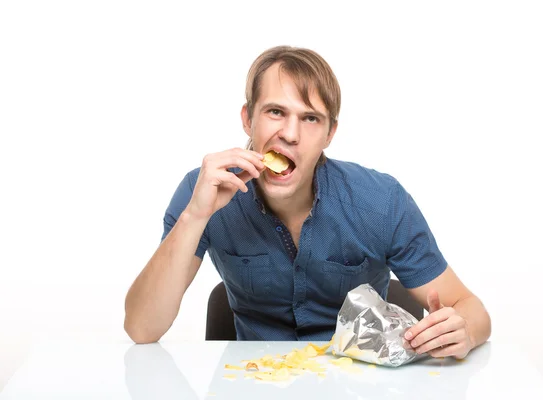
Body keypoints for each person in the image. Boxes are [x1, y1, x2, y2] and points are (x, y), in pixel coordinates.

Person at [124, 45, 491, 359]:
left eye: (310, 118)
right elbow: (141, 328)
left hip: (360, 384)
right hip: (254, 383)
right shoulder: (203, 189)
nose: (290, 134)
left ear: (330, 133)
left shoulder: (382, 201)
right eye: (275, 112)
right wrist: (195, 215)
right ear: (248, 119)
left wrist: (465, 331)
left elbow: (471, 309)